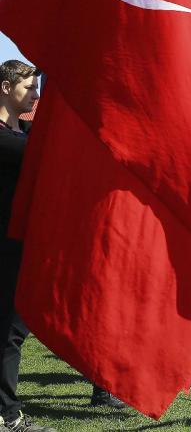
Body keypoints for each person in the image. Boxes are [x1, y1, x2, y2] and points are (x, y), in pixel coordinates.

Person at [0, 61, 56, 432]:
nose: (36, 95)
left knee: (13, 329)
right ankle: (7, 414)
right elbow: (43, 155)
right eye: (30, 88)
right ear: (6, 88)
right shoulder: (7, 138)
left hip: (24, 245)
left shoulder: (28, 131)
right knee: (9, 331)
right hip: (5, 247)